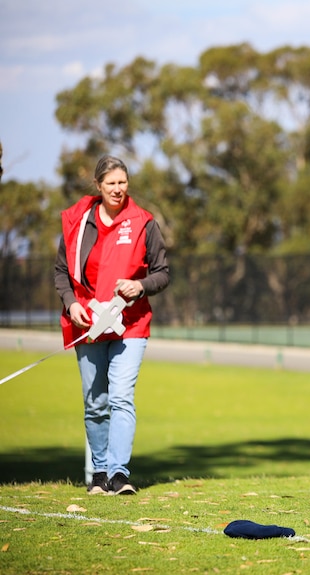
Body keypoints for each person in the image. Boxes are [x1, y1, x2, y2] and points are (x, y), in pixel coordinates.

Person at [54, 155, 170, 495]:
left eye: (122, 182)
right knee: (95, 403)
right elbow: (61, 272)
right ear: (98, 185)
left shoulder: (144, 222)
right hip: (88, 324)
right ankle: (99, 473)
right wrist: (71, 303)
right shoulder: (78, 222)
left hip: (130, 325)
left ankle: (119, 474)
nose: (118, 189)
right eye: (111, 183)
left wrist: (140, 286)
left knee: (121, 397)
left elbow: (162, 273)